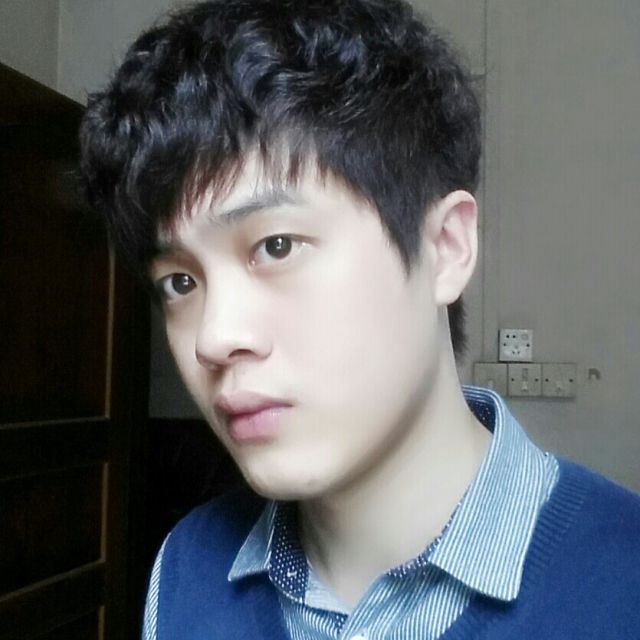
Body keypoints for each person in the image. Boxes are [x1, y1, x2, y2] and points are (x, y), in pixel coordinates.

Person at [78, 1, 640, 638]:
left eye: (277, 246)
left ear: (446, 248)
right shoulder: (188, 569)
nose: (215, 337)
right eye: (180, 282)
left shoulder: (623, 586)